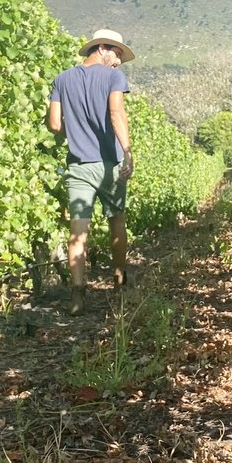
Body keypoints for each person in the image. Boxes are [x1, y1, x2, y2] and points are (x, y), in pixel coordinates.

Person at [47, 29, 135, 314]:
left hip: (78, 165)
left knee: (78, 230)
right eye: (118, 53)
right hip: (109, 163)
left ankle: (77, 294)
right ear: (102, 48)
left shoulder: (62, 79)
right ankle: (120, 279)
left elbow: (55, 124)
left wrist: (76, 129)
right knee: (116, 219)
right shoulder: (112, 78)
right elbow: (115, 112)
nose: (119, 61)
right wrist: (128, 151)